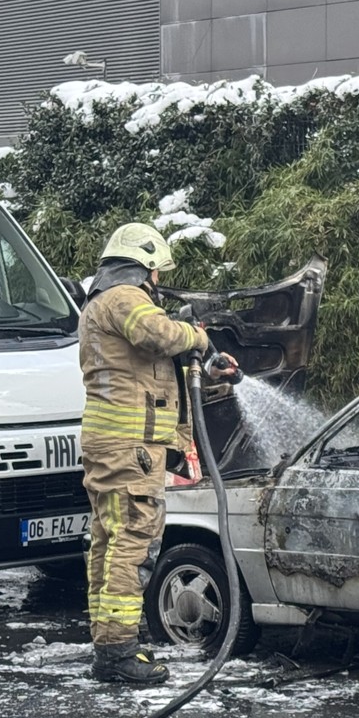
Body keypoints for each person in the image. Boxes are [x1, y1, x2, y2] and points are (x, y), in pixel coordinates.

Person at [78, 222, 237, 684]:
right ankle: (118, 653)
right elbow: (156, 334)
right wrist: (199, 336)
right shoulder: (125, 299)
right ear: (143, 265)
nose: (158, 282)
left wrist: (207, 368)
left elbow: (149, 375)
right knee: (133, 543)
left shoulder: (98, 305)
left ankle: (110, 643)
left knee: (109, 544)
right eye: (157, 272)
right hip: (129, 450)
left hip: (114, 447)